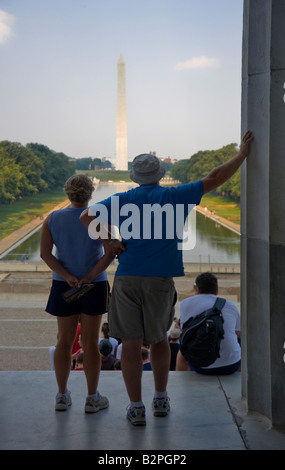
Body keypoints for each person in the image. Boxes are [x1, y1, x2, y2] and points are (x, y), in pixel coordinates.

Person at [80, 130, 253, 425]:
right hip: (161, 279)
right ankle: (160, 398)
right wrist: (241, 154)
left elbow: (86, 217)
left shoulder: (121, 200)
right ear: (160, 175)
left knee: (131, 344)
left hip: (129, 276)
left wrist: (111, 241)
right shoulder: (175, 195)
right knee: (159, 339)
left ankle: (136, 407)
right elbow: (213, 178)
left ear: (135, 176)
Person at [40, 174, 115, 413]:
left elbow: (45, 254)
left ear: (67, 193)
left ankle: (62, 395)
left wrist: (67, 275)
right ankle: (92, 397)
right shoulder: (98, 218)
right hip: (94, 285)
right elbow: (110, 252)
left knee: (64, 341)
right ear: (91, 193)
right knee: (90, 343)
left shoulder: (53, 218)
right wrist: (90, 276)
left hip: (65, 284)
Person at [176, 272, 241, 374]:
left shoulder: (185, 303)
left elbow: (186, 331)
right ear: (217, 291)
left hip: (199, 366)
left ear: (197, 289)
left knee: (182, 349)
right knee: (238, 341)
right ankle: (239, 376)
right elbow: (239, 334)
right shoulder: (231, 305)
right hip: (230, 366)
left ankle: (181, 377)